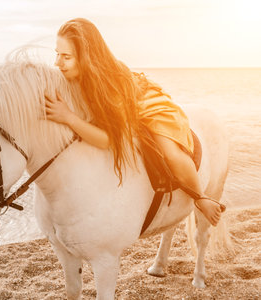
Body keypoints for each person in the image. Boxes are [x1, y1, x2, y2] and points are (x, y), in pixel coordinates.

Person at [44, 18, 225, 226]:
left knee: (170, 152)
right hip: (123, 106)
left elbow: (107, 140)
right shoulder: (72, 74)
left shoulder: (106, 85)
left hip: (145, 104)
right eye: (57, 54)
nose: (58, 63)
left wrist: (68, 117)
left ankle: (200, 198)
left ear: (86, 57)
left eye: (66, 57)